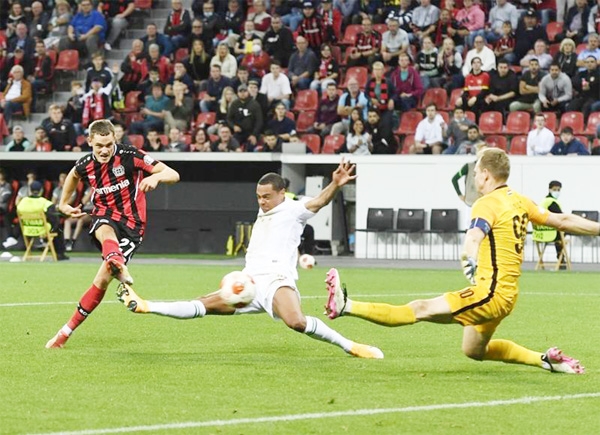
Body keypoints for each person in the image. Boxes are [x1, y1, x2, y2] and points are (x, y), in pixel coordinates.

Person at [324, 148, 597, 374]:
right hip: (506, 296)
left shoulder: (486, 203)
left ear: (486, 174)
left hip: (490, 294)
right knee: (474, 350)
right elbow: (562, 220)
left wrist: (469, 256)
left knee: (420, 309)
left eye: (476, 171)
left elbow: (474, 236)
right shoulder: (519, 200)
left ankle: (345, 305)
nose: (475, 176)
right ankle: (546, 361)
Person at [116, 160, 384, 360]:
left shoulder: (292, 208)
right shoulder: (264, 209)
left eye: (267, 196)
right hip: (248, 282)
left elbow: (319, 202)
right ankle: (145, 305)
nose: (262, 201)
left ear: (281, 193)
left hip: (277, 281)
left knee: (297, 323)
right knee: (200, 305)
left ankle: (351, 346)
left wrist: (335, 184)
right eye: (258, 196)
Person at [45, 119, 180, 349]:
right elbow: (73, 176)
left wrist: (155, 177)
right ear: (90, 142)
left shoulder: (130, 155)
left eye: (108, 144)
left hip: (133, 224)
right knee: (104, 227)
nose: (104, 150)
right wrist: (63, 204)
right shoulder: (86, 163)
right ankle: (116, 261)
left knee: (101, 280)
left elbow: (173, 174)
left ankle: (64, 333)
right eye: (99, 146)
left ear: (114, 139)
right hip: (105, 214)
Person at [17, 180, 68, 261]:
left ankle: (42, 244)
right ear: (41, 190)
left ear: (30, 190)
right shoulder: (45, 203)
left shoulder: (22, 202)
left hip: (27, 230)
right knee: (57, 228)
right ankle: (59, 253)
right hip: (42, 230)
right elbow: (54, 220)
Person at [535, 180, 567, 269]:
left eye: (558, 190)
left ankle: (561, 259)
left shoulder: (544, 201)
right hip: (550, 233)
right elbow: (560, 216)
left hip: (539, 233)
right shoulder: (552, 202)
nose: (557, 192)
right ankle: (561, 260)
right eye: (555, 189)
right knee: (564, 231)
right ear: (549, 189)